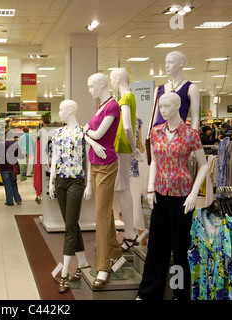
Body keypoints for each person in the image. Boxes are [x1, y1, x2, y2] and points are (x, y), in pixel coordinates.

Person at [137, 92, 208, 300]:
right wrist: (150, 188)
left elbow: (204, 165)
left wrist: (194, 193)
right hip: (160, 194)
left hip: (182, 197)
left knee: (180, 249)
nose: (162, 110)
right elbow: (155, 162)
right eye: (161, 106)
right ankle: (148, 293)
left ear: (177, 106)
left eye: (166, 106)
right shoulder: (156, 131)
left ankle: (179, 293)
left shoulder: (190, 134)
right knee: (156, 247)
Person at [83, 73, 123, 290]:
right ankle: (115, 251)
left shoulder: (112, 107)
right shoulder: (100, 107)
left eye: (91, 86)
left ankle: (103, 266)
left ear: (101, 85)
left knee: (100, 213)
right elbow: (90, 136)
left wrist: (87, 134)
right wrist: (88, 135)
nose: (90, 90)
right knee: (104, 212)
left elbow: (96, 134)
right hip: (95, 163)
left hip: (107, 164)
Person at [49, 99, 92, 294]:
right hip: (60, 180)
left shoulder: (83, 131)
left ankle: (65, 273)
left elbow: (88, 160)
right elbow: (55, 157)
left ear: (69, 110)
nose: (59, 113)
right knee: (71, 223)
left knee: (69, 226)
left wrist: (89, 183)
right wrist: (51, 182)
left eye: (61, 109)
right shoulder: (57, 133)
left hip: (76, 180)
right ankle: (83, 263)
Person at [109, 68, 143, 251]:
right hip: (122, 148)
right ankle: (129, 232)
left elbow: (128, 127)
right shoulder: (128, 97)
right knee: (122, 189)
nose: (111, 82)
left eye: (111, 78)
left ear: (117, 78)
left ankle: (130, 234)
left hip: (122, 148)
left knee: (123, 189)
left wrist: (134, 147)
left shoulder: (125, 98)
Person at [150, 51, 200, 131]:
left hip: (178, 135)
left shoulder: (191, 88)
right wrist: (150, 136)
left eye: (170, 62)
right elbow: (154, 116)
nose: (166, 66)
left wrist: (193, 138)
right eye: (166, 62)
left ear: (181, 63)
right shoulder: (159, 89)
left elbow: (195, 117)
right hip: (158, 135)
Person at [0, 133, 22, 206]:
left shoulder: (0, 145)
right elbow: (20, 155)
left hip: (4, 167)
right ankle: (18, 199)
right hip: (13, 166)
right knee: (14, 183)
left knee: (7, 184)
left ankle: (9, 201)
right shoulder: (15, 144)